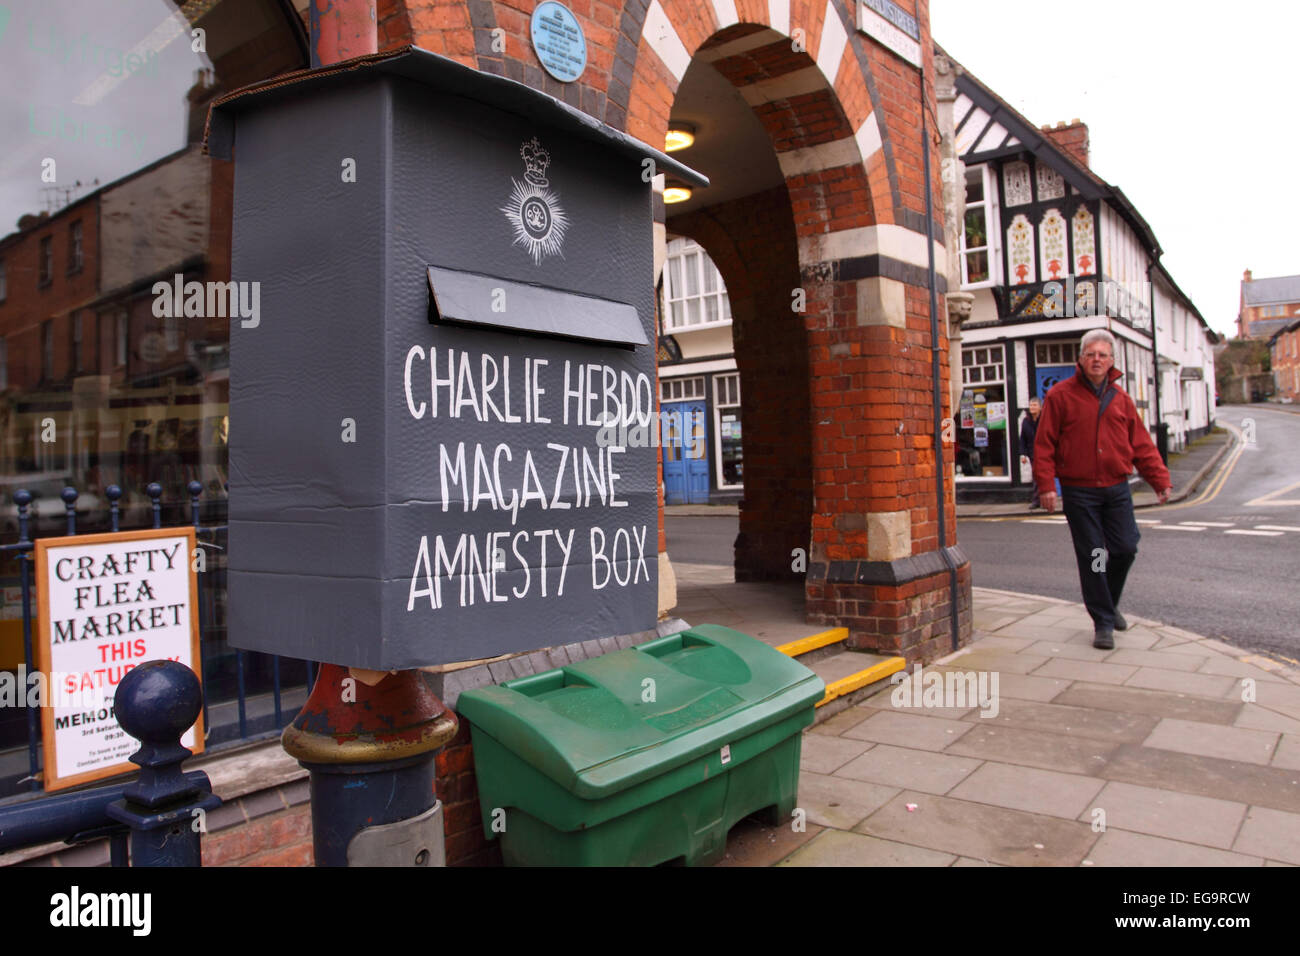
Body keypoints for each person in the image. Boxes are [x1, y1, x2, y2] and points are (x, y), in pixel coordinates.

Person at [1033, 330, 1171, 649]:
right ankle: (1103, 622)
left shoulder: (1121, 399)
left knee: (1125, 548)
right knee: (1095, 554)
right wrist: (1046, 485)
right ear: (1080, 359)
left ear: (1111, 361)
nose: (1097, 359)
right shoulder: (1060, 396)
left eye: (1103, 355)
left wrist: (1160, 480)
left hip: (1116, 488)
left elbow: (1142, 445)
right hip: (1079, 492)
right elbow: (1044, 445)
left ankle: (1108, 604)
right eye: (1091, 354)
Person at [1019, 396, 1042, 509]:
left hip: (1045, 453)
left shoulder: (1044, 419)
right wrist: (1023, 454)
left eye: (1035, 405)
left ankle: (1041, 500)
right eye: (1031, 405)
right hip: (1032, 453)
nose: (1032, 407)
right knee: (1036, 477)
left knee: (1043, 476)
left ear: (1040, 407)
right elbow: (1022, 438)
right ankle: (1037, 500)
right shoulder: (1026, 421)